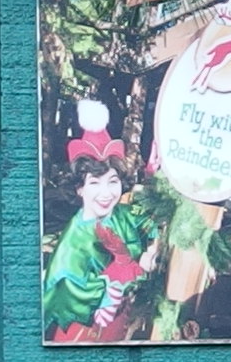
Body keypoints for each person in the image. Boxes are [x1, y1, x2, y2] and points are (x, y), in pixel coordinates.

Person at [44, 107, 154, 340]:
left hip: (119, 325)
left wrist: (154, 241)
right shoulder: (73, 243)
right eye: (95, 183)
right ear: (80, 188)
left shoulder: (121, 214)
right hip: (80, 334)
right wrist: (125, 278)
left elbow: (146, 221)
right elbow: (70, 292)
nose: (106, 193)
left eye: (112, 181)